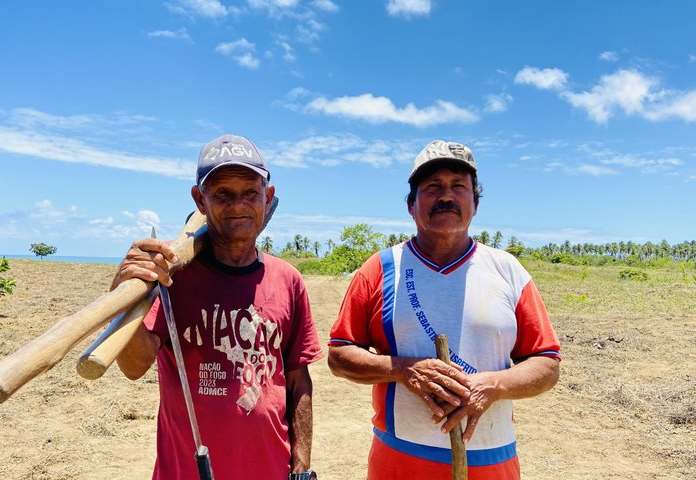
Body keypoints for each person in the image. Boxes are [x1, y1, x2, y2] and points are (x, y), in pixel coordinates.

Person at [327, 139, 561, 479]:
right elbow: (339, 355)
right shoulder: (380, 269)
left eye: (458, 187)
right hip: (399, 458)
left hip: (491, 458)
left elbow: (547, 364)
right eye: (432, 187)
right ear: (411, 204)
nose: (446, 196)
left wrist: (493, 386)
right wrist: (405, 370)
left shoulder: (508, 271)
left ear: (475, 203)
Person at [111, 134, 322, 480]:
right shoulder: (171, 279)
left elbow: (298, 381)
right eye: (223, 193)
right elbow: (134, 366)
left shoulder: (288, 280)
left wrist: (301, 468)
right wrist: (126, 293)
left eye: (250, 192)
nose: (238, 205)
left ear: (267, 198)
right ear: (200, 200)